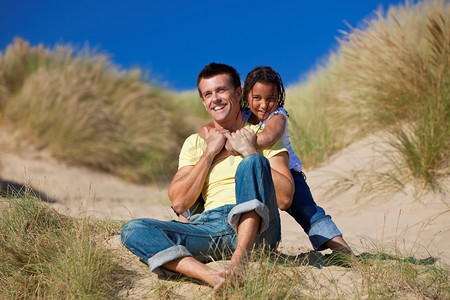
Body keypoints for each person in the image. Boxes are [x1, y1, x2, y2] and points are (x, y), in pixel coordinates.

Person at [121, 63, 294, 293]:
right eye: (208, 94)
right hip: (210, 229)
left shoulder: (262, 136)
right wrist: (209, 153)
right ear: (203, 101)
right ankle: (212, 276)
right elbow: (179, 202)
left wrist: (250, 152)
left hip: (261, 231)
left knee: (252, 163)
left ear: (238, 93)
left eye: (221, 90)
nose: (216, 99)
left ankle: (238, 262)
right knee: (133, 230)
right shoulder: (195, 143)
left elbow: (284, 198)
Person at [191, 66, 354, 257]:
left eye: (271, 99)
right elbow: (205, 129)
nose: (264, 105)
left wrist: (234, 145)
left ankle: (345, 253)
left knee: (309, 212)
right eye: (257, 98)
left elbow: (268, 136)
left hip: (287, 172)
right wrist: (227, 139)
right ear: (244, 96)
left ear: (279, 98)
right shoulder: (242, 115)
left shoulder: (278, 115)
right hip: (256, 167)